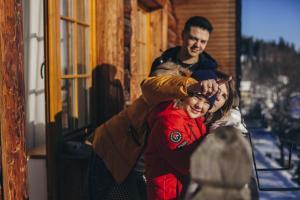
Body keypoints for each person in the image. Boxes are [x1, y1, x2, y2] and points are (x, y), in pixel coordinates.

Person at [88, 15, 219, 200]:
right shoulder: (164, 64)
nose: (198, 45)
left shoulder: (209, 71)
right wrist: (190, 86)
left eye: (203, 41)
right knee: (113, 194)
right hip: (126, 142)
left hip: (153, 147)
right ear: (182, 35)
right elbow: (151, 89)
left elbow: (222, 98)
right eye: (193, 38)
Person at [144, 70, 217, 200]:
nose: (200, 105)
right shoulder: (169, 121)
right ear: (183, 95)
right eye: (197, 97)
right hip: (167, 193)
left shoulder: (196, 121)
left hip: (182, 190)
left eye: (206, 102)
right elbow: (184, 161)